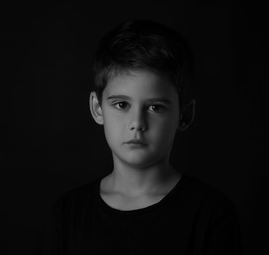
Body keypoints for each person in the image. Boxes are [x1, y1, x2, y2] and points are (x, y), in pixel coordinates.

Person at [33, 19, 242, 255]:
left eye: (155, 108)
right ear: (97, 108)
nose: (137, 124)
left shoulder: (210, 215)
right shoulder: (68, 215)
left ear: (184, 115)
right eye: (121, 104)